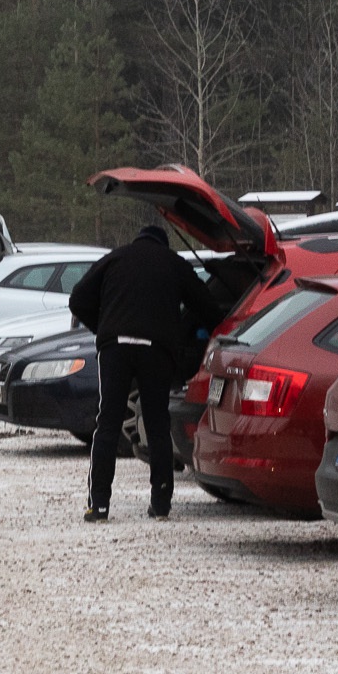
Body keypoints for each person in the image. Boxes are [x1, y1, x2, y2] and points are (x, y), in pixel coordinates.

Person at [66, 224, 213, 522]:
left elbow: (77, 299)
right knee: (157, 424)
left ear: (137, 239)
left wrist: (105, 329)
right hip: (156, 351)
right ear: (163, 243)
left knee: (107, 422)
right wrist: (185, 334)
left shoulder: (115, 258)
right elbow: (207, 306)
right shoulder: (174, 263)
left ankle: (99, 505)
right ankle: (160, 504)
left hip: (115, 349)